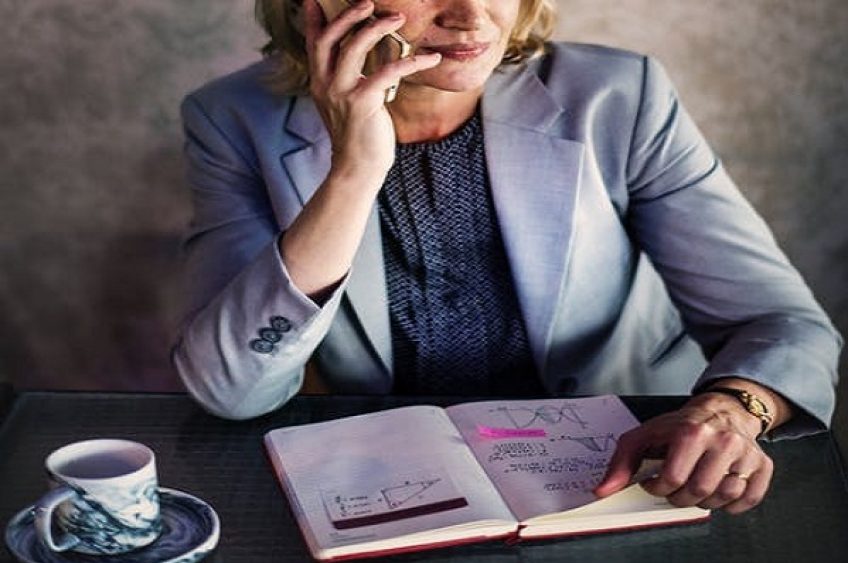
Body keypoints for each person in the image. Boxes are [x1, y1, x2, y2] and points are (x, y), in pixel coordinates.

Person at [174, 0, 841, 516]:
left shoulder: (621, 95)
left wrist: (730, 411)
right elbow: (228, 387)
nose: (470, 16)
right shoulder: (232, 118)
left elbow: (781, 323)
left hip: (628, 472)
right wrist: (352, 172)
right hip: (396, 487)